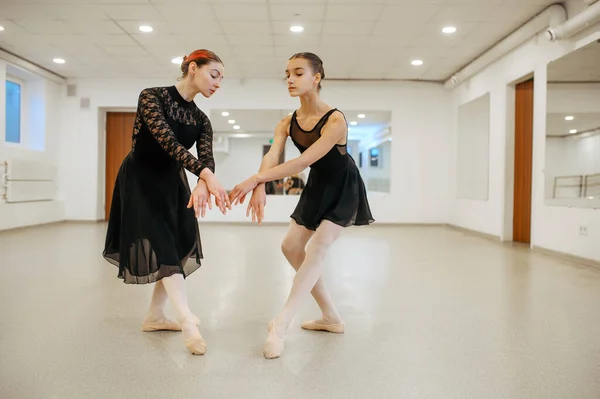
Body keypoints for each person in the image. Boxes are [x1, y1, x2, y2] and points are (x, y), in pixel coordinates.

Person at [228, 52, 374, 359]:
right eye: (287, 74)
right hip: (317, 185)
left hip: (344, 185)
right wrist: (261, 182)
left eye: (297, 73)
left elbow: (303, 161)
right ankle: (331, 317)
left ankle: (282, 322)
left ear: (316, 78)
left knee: (318, 249)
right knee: (291, 247)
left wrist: (255, 179)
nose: (290, 80)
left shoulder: (335, 119)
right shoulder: (287, 122)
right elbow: (274, 155)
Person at [102, 49, 231, 355]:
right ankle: (186, 320)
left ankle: (155, 316)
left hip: (173, 183)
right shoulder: (152, 97)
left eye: (221, 79)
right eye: (214, 75)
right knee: (163, 243)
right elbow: (166, 141)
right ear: (193, 68)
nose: (217, 84)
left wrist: (203, 181)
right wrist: (206, 176)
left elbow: (207, 157)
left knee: (177, 243)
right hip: (141, 179)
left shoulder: (201, 120)